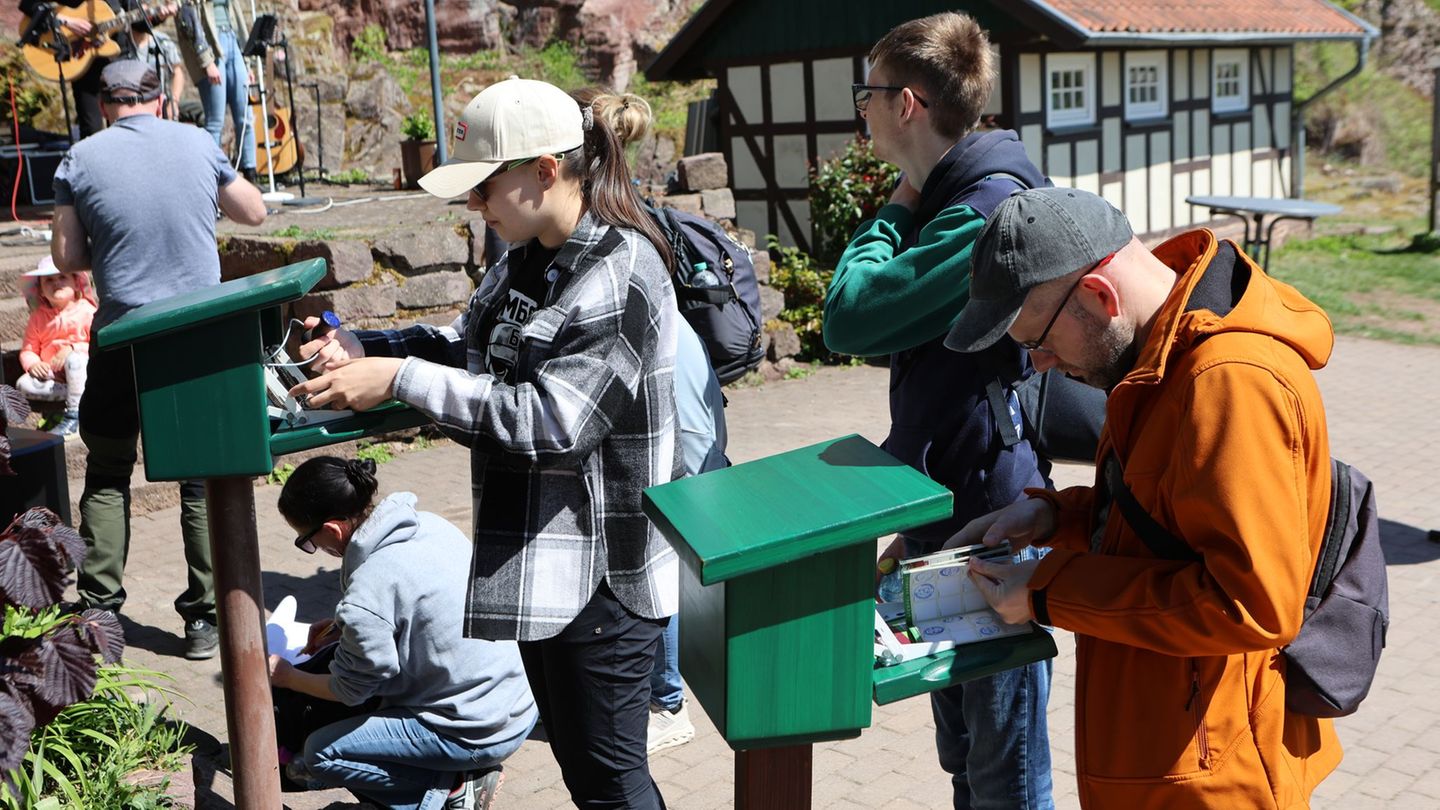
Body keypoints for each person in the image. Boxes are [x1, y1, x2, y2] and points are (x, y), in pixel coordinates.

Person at [291, 77, 681, 809]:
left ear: (545, 170)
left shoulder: (623, 270)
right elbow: (463, 344)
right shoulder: (527, 258)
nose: (473, 205)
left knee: (611, 783)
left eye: (482, 187)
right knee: (584, 773)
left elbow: (553, 423)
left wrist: (399, 378)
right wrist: (363, 346)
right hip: (542, 570)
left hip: (604, 575)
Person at [945, 186, 1342, 808]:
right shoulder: (1159, 355)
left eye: (1039, 342)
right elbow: (1162, 512)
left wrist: (1051, 592)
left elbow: (1251, 605)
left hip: (1210, 773)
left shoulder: (1228, 385)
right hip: (1167, 751)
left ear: (1100, 297)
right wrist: (1051, 516)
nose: (1041, 365)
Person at [820, 12, 1053, 808]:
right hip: (954, 509)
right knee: (969, 762)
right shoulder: (960, 199)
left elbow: (849, 314)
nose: (863, 108)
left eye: (869, 93)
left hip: (991, 525)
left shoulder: (979, 216)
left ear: (907, 103)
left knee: (1005, 778)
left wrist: (893, 206)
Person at [49, 59, 266, 659]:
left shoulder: (81, 159)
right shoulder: (196, 141)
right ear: (160, 101)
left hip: (123, 331)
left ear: (104, 104)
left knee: (109, 468)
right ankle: (203, 620)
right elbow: (254, 212)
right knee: (199, 476)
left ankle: (98, 614)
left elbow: (67, 256)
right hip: (195, 335)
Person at [578, 87, 729, 754]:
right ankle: (663, 692)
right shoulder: (634, 213)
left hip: (671, 427)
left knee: (651, 562)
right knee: (657, 559)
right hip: (691, 412)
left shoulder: (603, 233)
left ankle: (667, 701)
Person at [268, 456, 538, 810]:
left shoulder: (369, 590)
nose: (315, 549)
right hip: (518, 702)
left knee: (321, 753)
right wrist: (341, 626)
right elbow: (417, 603)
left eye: (309, 541)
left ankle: (455, 789)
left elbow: (349, 690)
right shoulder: (428, 525)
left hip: (475, 730)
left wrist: (286, 676)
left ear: (333, 529)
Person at [173, 0, 256, 180]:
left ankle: (251, 174)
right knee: (215, 120)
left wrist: (247, 63)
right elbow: (189, 22)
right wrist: (206, 62)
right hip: (211, 45)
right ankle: (214, 177)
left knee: (246, 117)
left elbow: (237, 19)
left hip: (232, 40)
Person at [16, 256, 97, 438]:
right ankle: (76, 396)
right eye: (49, 280)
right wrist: (34, 364)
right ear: (41, 291)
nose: (56, 283)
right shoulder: (38, 317)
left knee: (75, 360)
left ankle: (75, 415)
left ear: (76, 284)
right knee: (23, 384)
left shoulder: (86, 311)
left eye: (62, 278)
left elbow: (97, 343)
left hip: (83, 370)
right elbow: (28, 349)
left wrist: (73, 347)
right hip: (53, 378)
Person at [129, 19, 186, 120]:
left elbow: (177, 72)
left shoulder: (162, 41)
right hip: (131, 108)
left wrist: (174, 102)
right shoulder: (121, 44)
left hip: (159, 105)